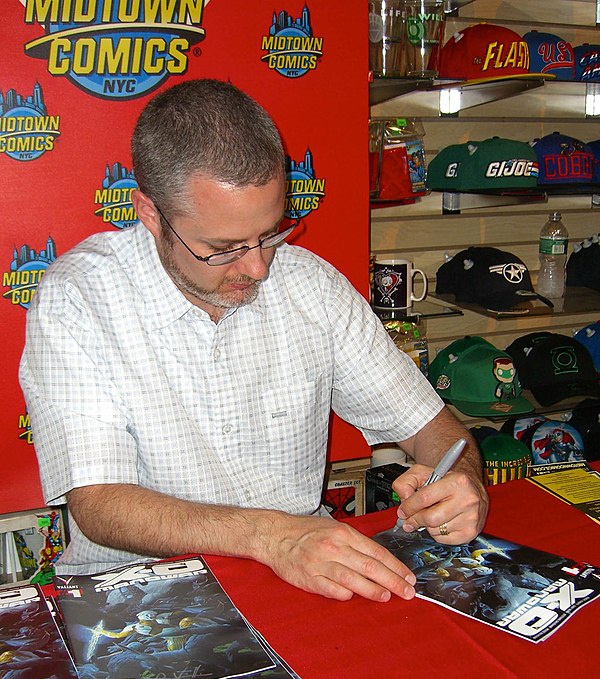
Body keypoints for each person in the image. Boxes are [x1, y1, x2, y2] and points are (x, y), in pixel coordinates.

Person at [20, 79, 488, 603]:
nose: (258, 267)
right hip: (138, 592)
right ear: (151, 215)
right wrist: (270, 536)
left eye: (270, 233)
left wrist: (463, 482)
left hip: (297, 572)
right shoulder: (80, 297)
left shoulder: (311, 285)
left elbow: (438, 432)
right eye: (222, 248)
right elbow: (100, 503)